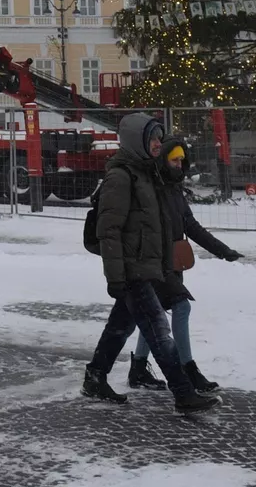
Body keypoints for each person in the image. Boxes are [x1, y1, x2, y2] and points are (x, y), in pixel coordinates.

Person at [81, 112, 219, 413]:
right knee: (159, 332)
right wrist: (115, 276)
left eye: (159, 138)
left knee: (119, 327)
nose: (158, 144)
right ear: (137, 142)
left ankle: (95, 376)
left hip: (148, 265)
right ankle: (183, 393)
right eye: (153, 139)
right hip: (132, 269)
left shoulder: (145, 173)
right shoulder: (121, 176)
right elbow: (109, 229)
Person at [126, 138, 245, 395]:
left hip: (171, 263)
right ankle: (187, 369)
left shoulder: (174, 189)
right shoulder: (150, 189)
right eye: (174, 160)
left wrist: (223, 251)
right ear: (162, 161)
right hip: (153, 264)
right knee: (181, 307)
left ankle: (138, 368)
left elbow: (191, 226)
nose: (179, 165)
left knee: (153, 314)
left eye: (182, 160)